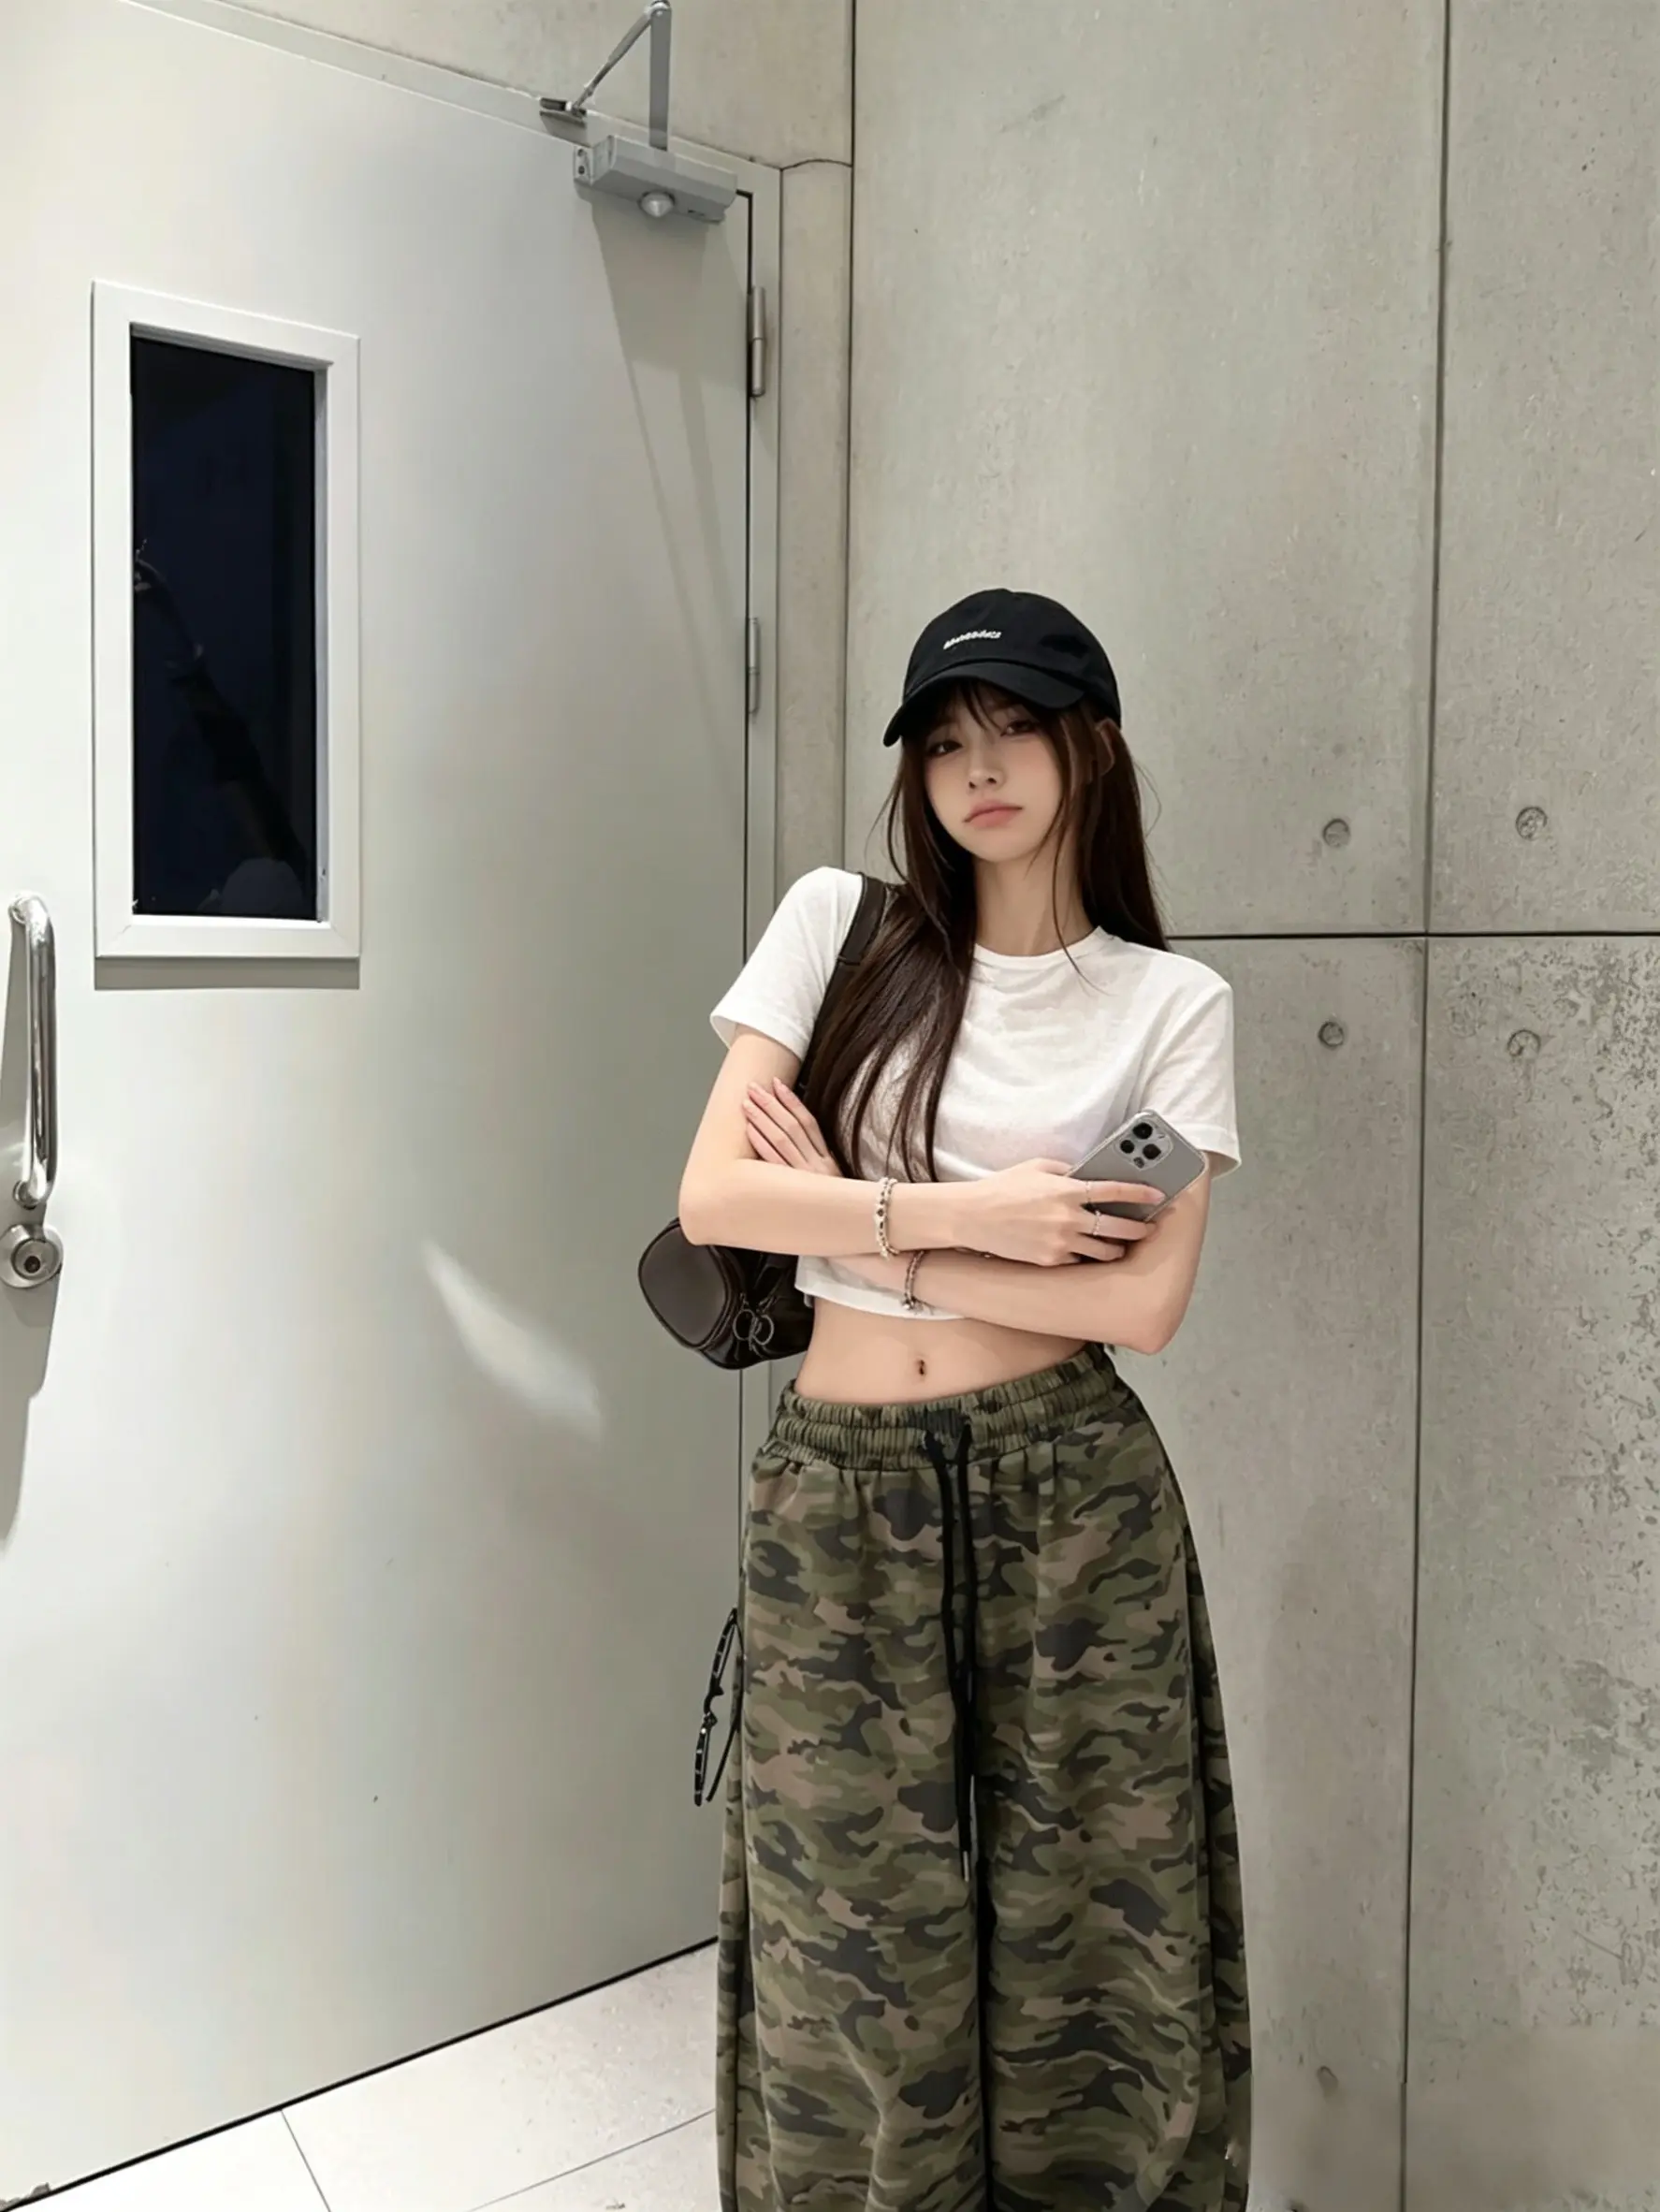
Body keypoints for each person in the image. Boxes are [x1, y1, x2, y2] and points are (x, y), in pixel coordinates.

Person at [678, 589, 1250, 2210]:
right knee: (849, 1933)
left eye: (1012, 730)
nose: (976, 769)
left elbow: (1137, 1306)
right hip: (839, 1486)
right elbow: (715, 1195)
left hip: (1070, 1482)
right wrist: (980, 1219)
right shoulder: (840, 931)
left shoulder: (1170, 1006)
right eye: (941, 742)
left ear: (1092, 747)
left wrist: (869, 1236)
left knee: (1100, 1909)